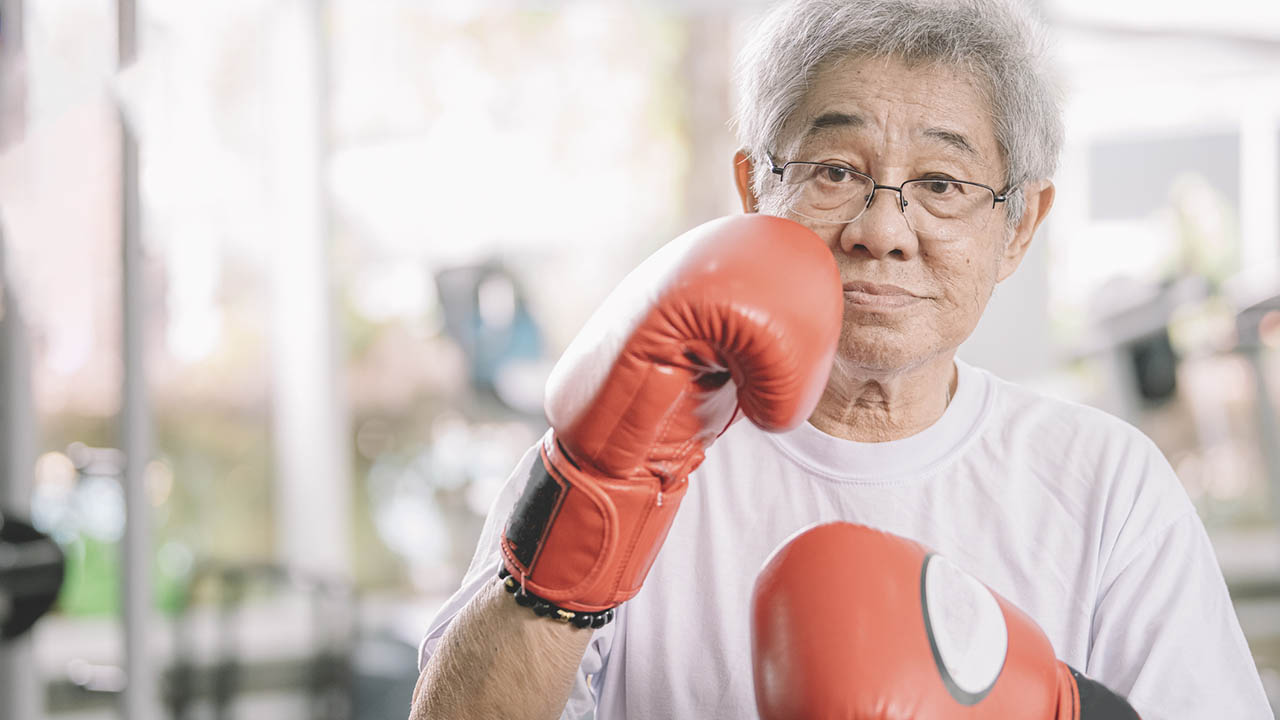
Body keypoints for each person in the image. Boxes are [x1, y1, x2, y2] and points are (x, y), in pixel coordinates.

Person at [409, 1, 1273, 718]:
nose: (881, 231)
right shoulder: (622, 449)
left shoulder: (1106, 485)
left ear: (1019, 228)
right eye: (832, 171)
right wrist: (593, 504)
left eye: (942, 183)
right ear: (756, 192)